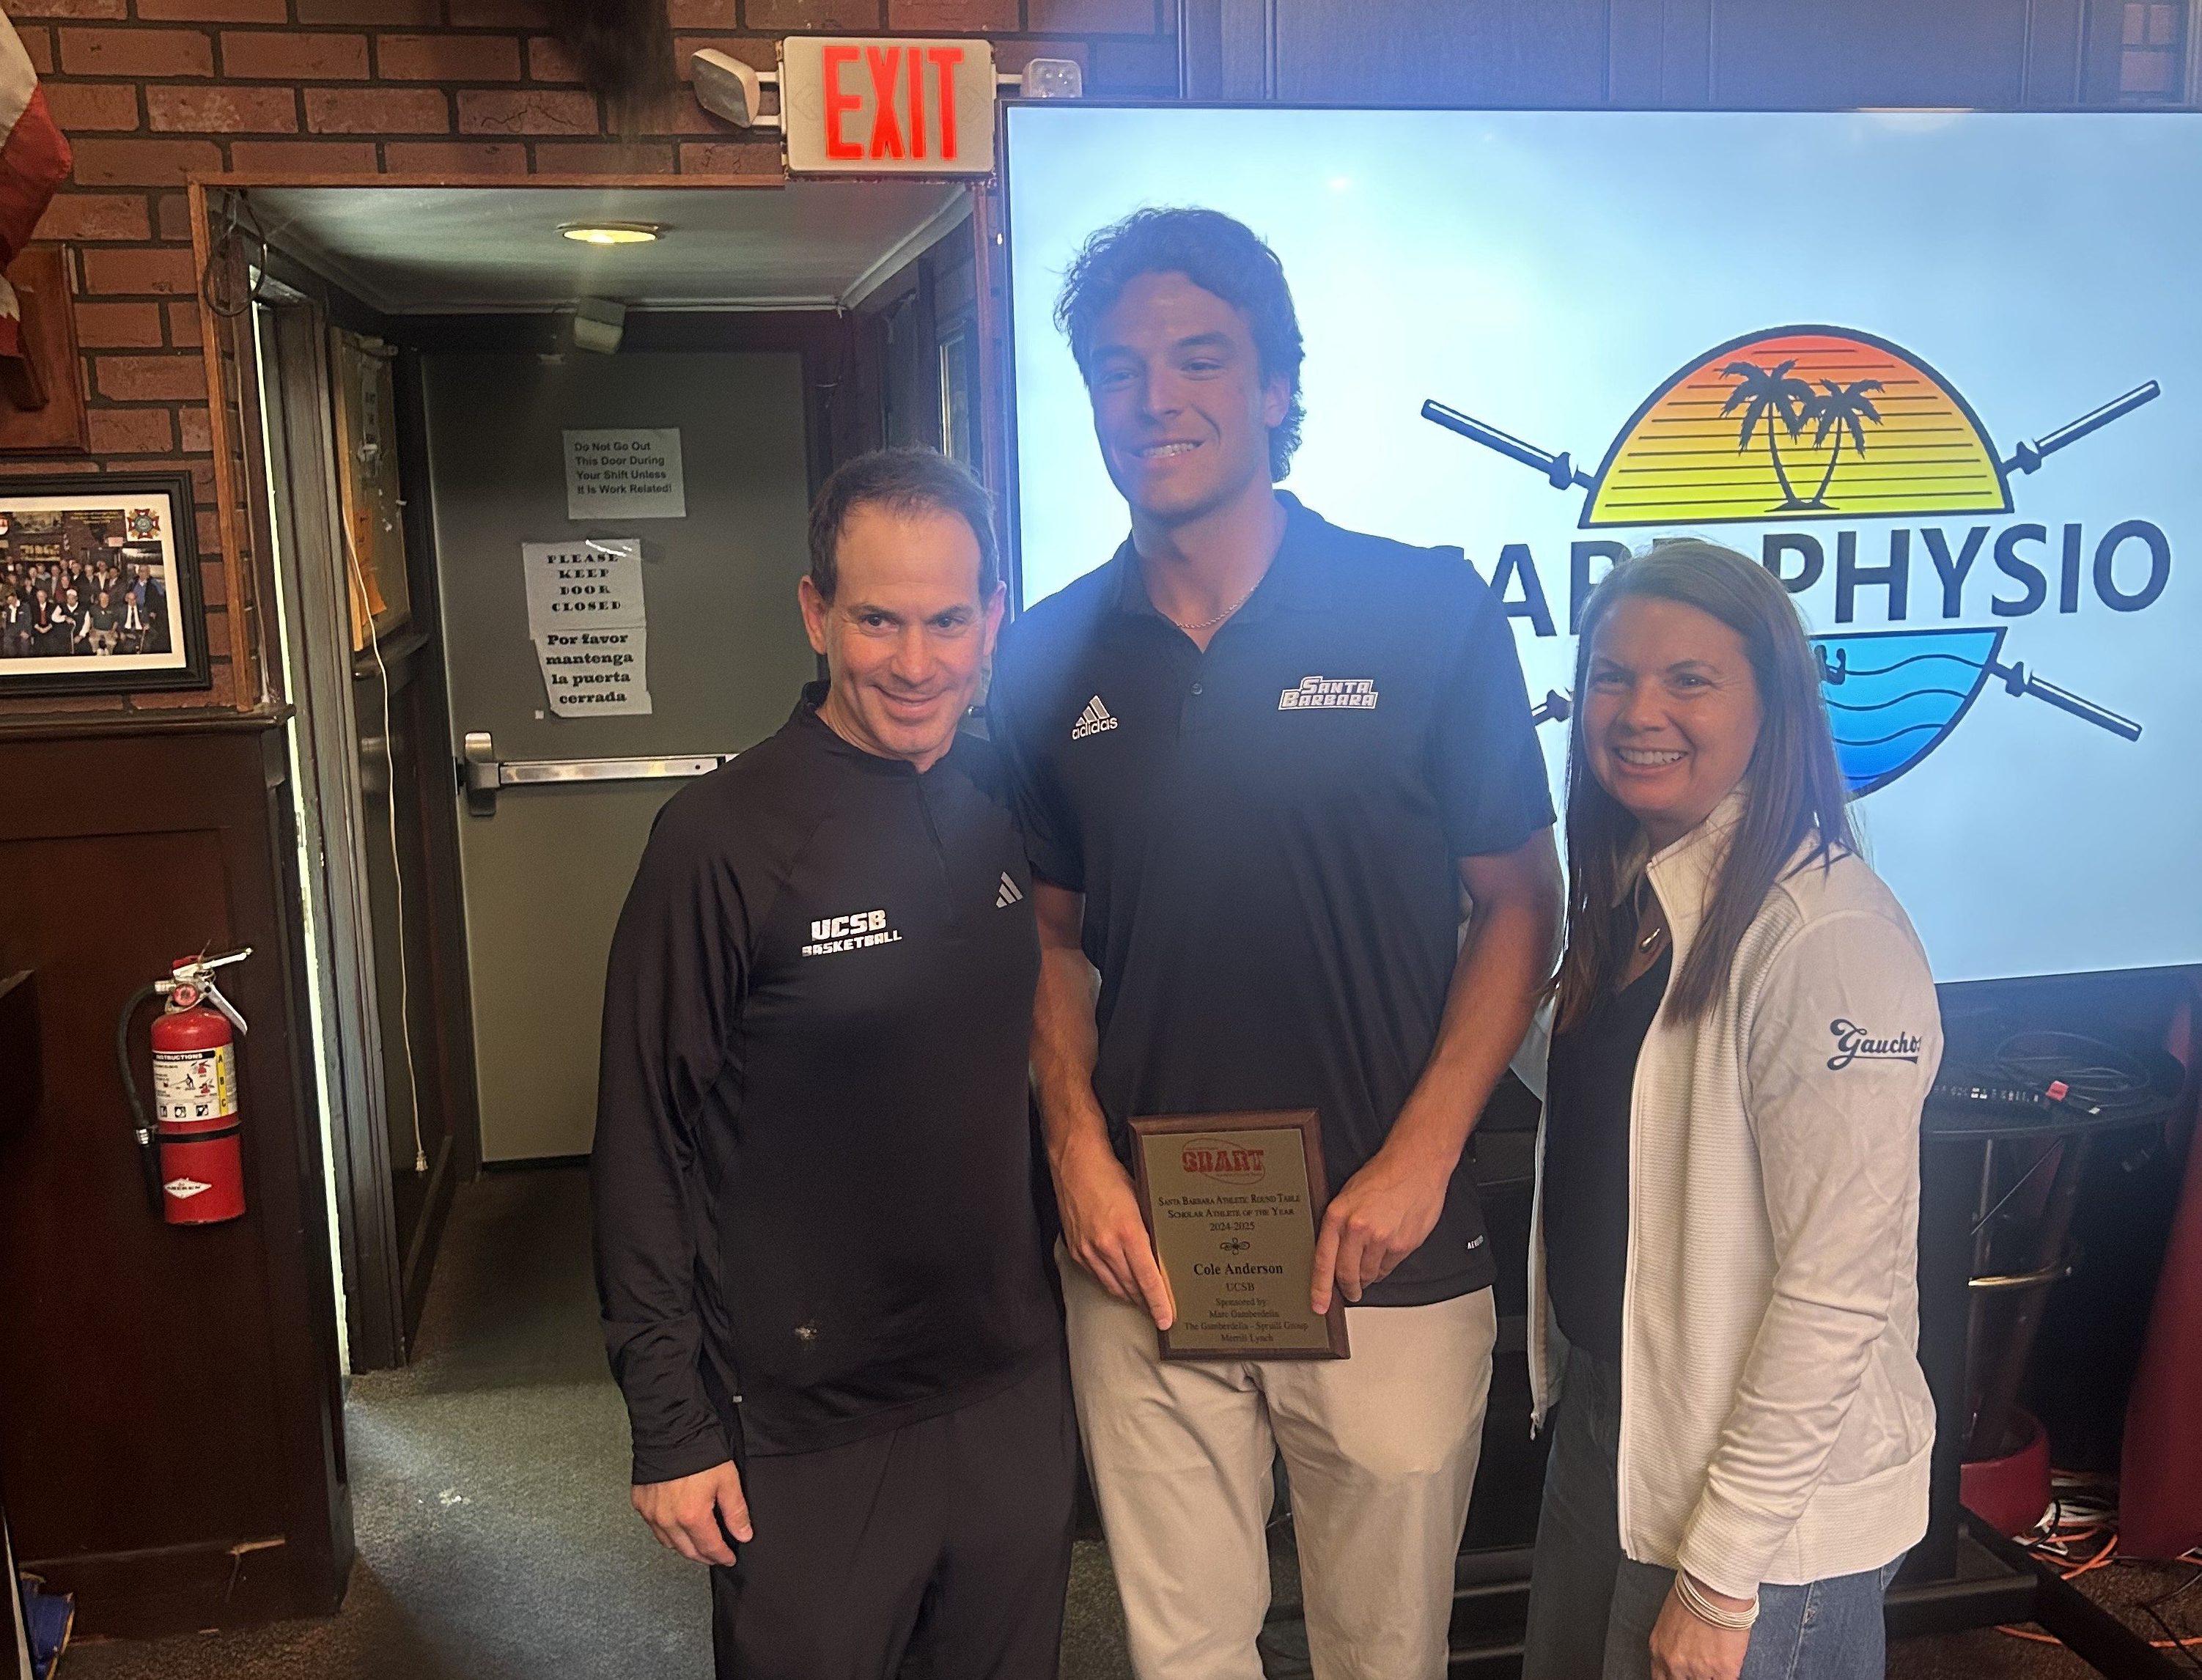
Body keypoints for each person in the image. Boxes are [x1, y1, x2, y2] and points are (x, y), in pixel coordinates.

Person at [988, 207, 1563, 1680]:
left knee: (1383, 1657)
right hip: (1145, 1256)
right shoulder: (1043, 655)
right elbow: (1045, 933)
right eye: (1118, 371)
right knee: (1182, 1658)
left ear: (1275, 388)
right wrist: (1074, 1152)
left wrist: (1423, 1156)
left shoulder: (1423, 610)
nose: (1154, 398)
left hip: (1388, 1251)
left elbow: (1519, 901)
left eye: (1199, 359)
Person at [592, 448, 1075, 1680]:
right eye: (876, 620)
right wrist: (670, 1422)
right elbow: (644, 1142)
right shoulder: (720, 840)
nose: (915, 663)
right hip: (803, 1425)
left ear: (992, 618)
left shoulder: (1007, 799)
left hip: (1008, 1390)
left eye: (946, 621)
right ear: (816, 613)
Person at [1518, 540, 1942, 1680]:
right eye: (1611, 677)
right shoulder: (1639, 895)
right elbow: (1626, 1112)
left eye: (1689, 680)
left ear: (1774, 707)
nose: (1638, 711)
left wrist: (1722, 1573)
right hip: (1615, 1426)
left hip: (1757, 1510)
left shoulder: (1828, 938)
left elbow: (1835, 1289)